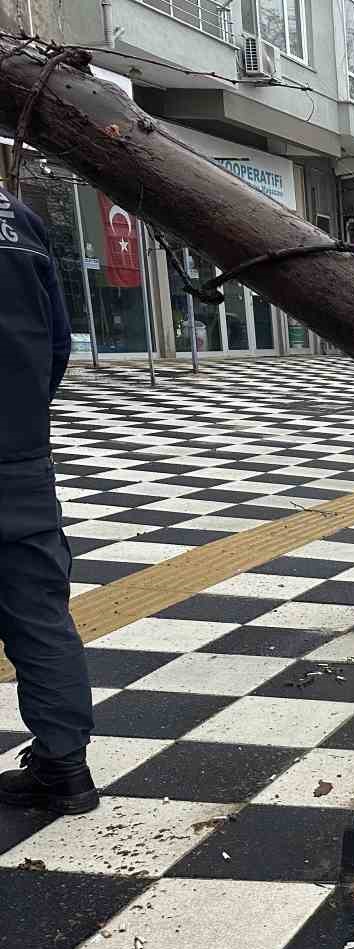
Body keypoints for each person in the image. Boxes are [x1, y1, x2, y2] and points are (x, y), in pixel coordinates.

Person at [0, 184, 98, 816]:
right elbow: (57, 340)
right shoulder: (17, 217)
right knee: (39, 614)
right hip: (19, 455)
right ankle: (65, 768)